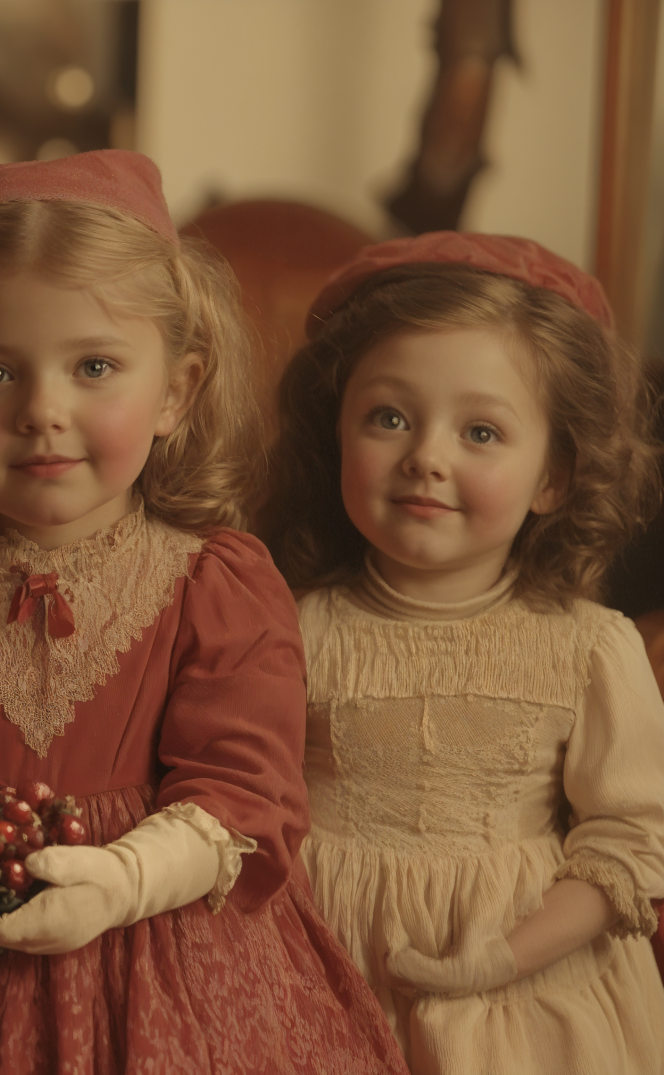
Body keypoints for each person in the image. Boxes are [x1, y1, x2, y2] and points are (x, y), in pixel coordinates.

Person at [0, 151, 406, 1072]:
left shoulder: (214, 580)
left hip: (156, 969)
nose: (43, 410)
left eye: (94, 365)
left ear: (176, 391)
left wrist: (123, 878)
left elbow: (243, 791)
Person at [260, 231, 664, 1073]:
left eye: (481, 431)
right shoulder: (287, 627)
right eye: (390, 416)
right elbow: (246, 805)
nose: (426, 457)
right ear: (336, 431)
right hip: (318, 983)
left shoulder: (588, 648)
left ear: (553, 474)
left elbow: (628, 840)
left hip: (525, 999)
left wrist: (506, 955)